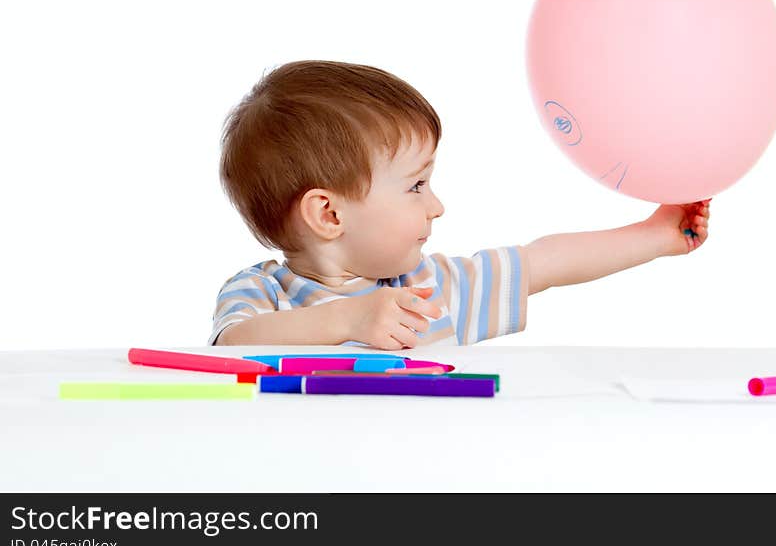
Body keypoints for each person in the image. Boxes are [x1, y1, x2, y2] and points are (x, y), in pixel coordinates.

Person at [209, 60, 711, 349]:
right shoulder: (259, 294)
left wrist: (657, 235)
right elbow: (234, 347)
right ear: (329, 215)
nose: (437, 206)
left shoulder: (429, 289)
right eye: (416, 186)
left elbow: (544, 263)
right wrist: (349, 321)